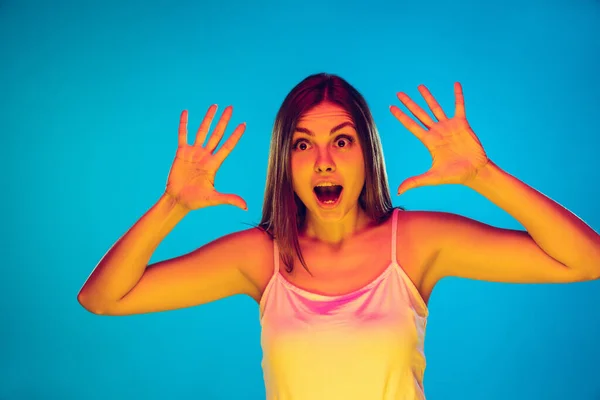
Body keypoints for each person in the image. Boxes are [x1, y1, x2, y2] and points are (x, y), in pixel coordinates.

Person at [77, 73, 600, 399]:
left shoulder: (415, 241)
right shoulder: (261, 256)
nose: (323, 161)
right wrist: (172, 207)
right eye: (303, 145)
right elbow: (102, 298)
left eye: (341, 140)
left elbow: (586, 260)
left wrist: (483, 174)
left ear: (367, 154)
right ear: (285, 162)